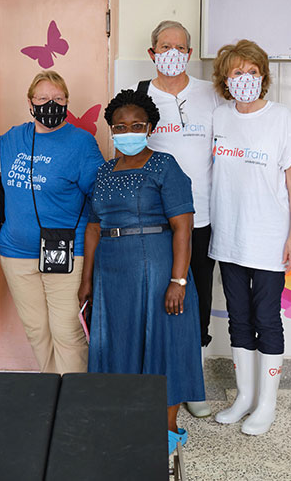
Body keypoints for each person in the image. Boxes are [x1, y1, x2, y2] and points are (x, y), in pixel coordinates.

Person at [79, 89, 205, 455]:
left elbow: (183, 226)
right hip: (111, 271)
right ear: (111, 131)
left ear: (149, 127)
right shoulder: (103, 172)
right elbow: (92, 226)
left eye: (136, 125)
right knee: (117, 342)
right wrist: (87, 280)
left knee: (163, 344)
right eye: (120, 126)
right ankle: (123, 417)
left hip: (157, 269)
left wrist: (178, 280)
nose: (128, 131)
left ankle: (166, 429)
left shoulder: (165, 165)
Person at [209, 39, 291, 436]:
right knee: (238, 319)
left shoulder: (280, 118)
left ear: (263, 77)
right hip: (229, 236)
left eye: (252, 72)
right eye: (237, 72)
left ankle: (267, 404)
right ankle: (244, 398)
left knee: (267, 319)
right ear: (225, 79)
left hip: (268, 238)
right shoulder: (219, 117)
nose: (245, 79)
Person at [131, 19, 220, 418]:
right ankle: (154, 381)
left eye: (180, 48)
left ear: (188, 53)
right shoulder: (138, 96)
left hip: (201, 216)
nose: (172, 54)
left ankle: (193, 382)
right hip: (151, 221)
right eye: (164, 47)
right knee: (155, 296)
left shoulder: (211, 95)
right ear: (152, 53)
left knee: (197, 296)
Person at [0, 70, 104, 375]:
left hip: (67, 252)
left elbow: (98, 198)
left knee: (67, 332)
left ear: (67, 102)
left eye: (58, 98)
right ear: (30, 102)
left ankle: (74, 399)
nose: (51, 104)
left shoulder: (81, 143)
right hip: (16, 253)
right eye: (43, 98)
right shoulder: (12, 138)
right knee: (37, 330)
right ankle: (52, 389)